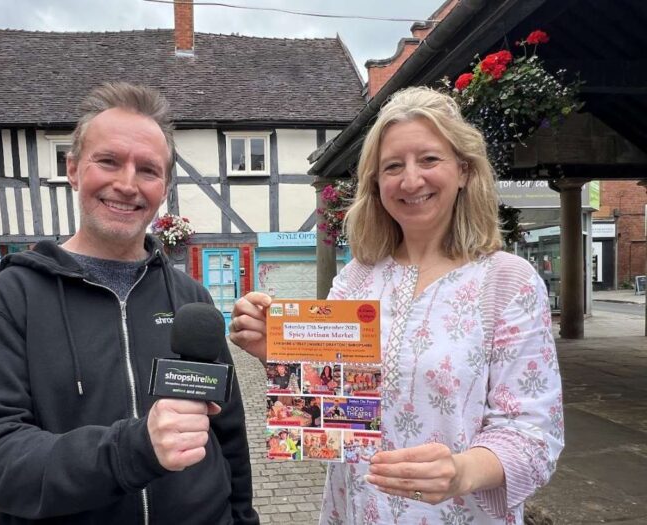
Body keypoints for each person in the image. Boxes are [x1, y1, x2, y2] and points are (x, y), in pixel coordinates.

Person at [229, 87, 563, 524]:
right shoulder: (356, 280)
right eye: (393, 166)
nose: (410, 180)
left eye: (428, 159)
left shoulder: (507, 282)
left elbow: (535, 434)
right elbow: (331, 407)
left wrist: (463, 470)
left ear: (463, 170)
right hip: (356, 510)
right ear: (376, 183)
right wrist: (277, 352)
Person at [0, 82, 258, 525]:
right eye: (109, 161)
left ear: (165, 186)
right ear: (74, 169)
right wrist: (131, 451)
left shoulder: (190, 297)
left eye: (148, 170)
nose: (127, 184)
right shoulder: (12, 297)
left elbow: (229, 436)